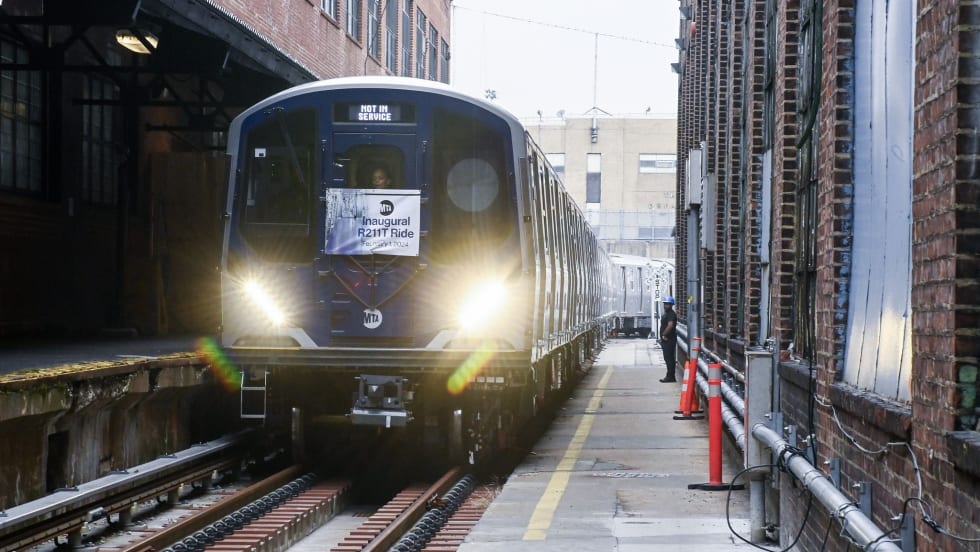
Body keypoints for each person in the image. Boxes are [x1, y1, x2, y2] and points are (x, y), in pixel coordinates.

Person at [658, 296, 678, 382]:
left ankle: (670, 377)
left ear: (671, 305)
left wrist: (664, 334)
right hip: (667, 340)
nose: (665, 305)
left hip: (669, 340)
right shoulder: (667, 313)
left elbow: (670, 325)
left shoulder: (671, 314)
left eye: (667, 304)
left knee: (669, 358)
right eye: (665, 304)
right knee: (668, 358)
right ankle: (670, 376)